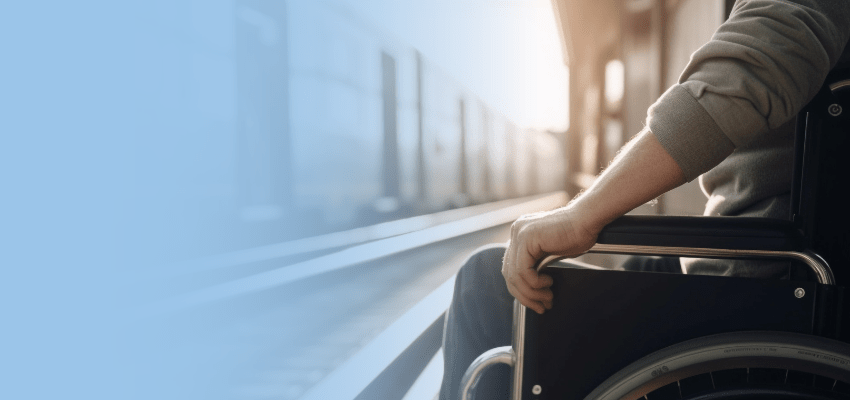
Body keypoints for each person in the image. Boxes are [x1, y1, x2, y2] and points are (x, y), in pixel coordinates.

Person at [439, 0, 850, 399]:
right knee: (643, 264)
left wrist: (581, 214)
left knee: (486, 280)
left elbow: (745, 76)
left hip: (767, 293)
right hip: (772, 271)